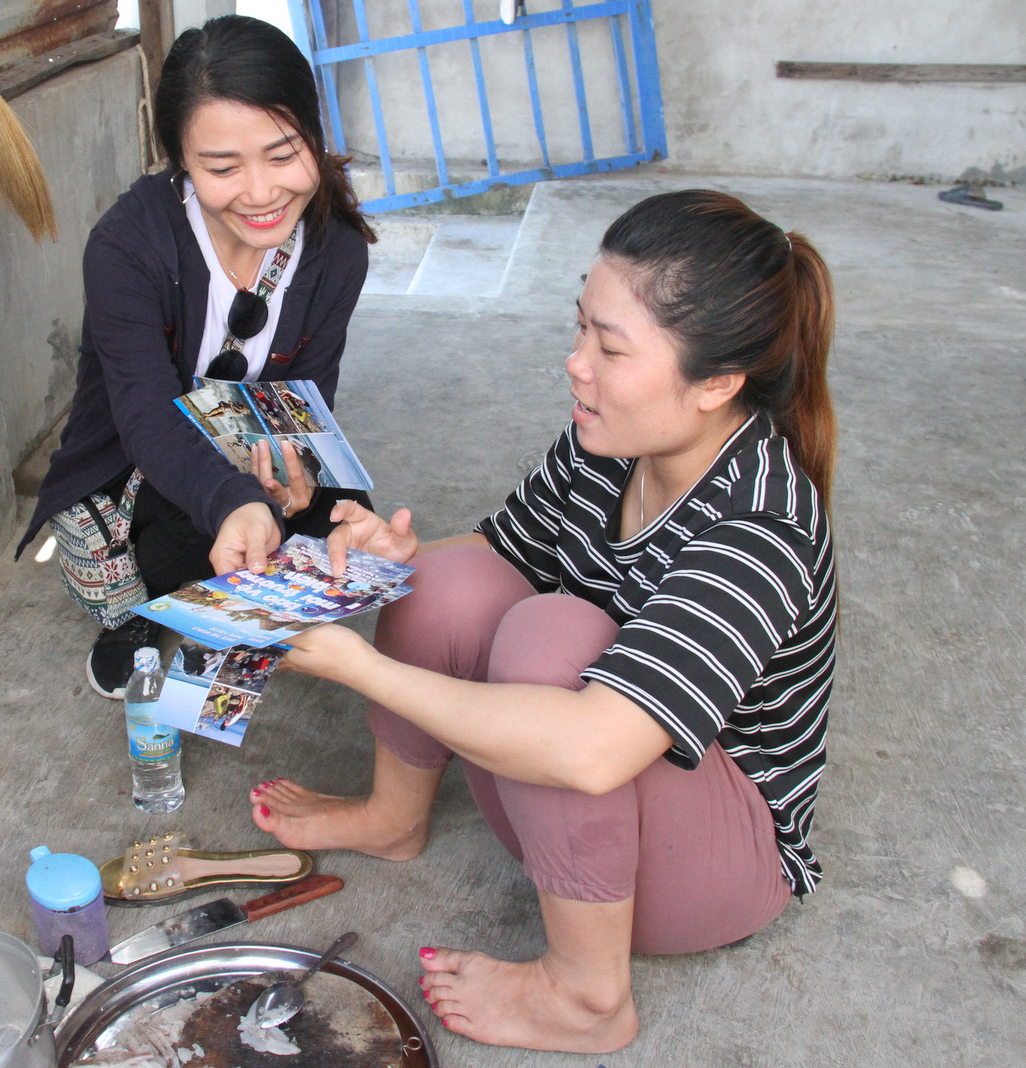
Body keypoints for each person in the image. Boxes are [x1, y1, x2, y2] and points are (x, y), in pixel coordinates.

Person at [250, 189, 838, 1054]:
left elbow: (594, 747)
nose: (576, 364)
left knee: (550, 635)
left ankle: (587, 995)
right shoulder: (612, 441)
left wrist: (359, 667)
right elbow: (495, 554)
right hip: (591, 814)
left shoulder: (761, 527)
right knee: (445, 580)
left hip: (711, 864)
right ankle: (393, 814)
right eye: (580, 330)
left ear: (717, 381)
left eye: (610, 348)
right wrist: (381, 558)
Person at [18, 15, 376, 698]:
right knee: (163, 547)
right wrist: (237, 500)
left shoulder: (337, 252)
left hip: (244, 439)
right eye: (222, 167)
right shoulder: (128, 247)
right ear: (181, 159)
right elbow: (145, 413)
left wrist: (300, 476)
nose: (262, 192)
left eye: (282, 154)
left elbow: (305, 397)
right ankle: (138, 616)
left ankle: (236, 556)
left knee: (342, 518)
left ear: (314, 133)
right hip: (134, 455)